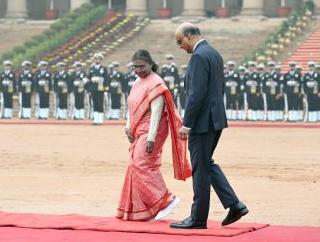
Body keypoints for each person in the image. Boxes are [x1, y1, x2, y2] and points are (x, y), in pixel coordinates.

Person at [171, 22, 248, 229]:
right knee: (206, 163)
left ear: (189, 36)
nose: (179, 46)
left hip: (202, 122)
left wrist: (187, 124)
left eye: (179, 41)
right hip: (214, 119)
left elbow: (196, 93)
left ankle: (198, 218)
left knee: (200, 168)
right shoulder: (213, 53)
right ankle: (234, 204)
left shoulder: (198, 56)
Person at [117, 49, 191, 221]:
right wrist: (128, 127)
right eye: (135, 67)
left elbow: (157, 112)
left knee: (142, 164)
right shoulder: (137, 82)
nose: (138, 70)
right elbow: (131, 106)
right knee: (134, 165)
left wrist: (151, 138)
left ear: (151, 64)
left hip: (154, 129)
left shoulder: (156, 82)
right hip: (139, 129)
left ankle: (165, 201)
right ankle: (145, 209)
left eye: (142, 66)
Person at [88, 53, 109, 125]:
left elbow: (106, 79)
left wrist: (106, 90)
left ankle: (100, 120)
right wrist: (89, 90)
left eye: (98, 59)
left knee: (100, 104)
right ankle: (95, 120)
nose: (97, 60)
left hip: (100, 89)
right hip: (93, 89)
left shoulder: (104, 69)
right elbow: (89, 80)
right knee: (95, 104)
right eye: (95, 59)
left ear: (100, 60)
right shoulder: (91, 69)